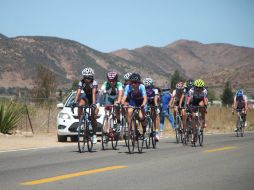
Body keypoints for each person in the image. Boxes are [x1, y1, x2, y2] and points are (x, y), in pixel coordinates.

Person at [73, 67, 99, 144]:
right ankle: (80, 122)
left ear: (91, 77)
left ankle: (94, 135)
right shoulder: (81, 82)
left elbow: (94, 93)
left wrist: (93, 104)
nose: (86, 79)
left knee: (93, 116)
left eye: (88, 78)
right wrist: (75, 102)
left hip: (95, 98)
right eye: (85, 77)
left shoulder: (94, 82)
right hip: (87, 97)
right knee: (80, 104)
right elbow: (78, 92)